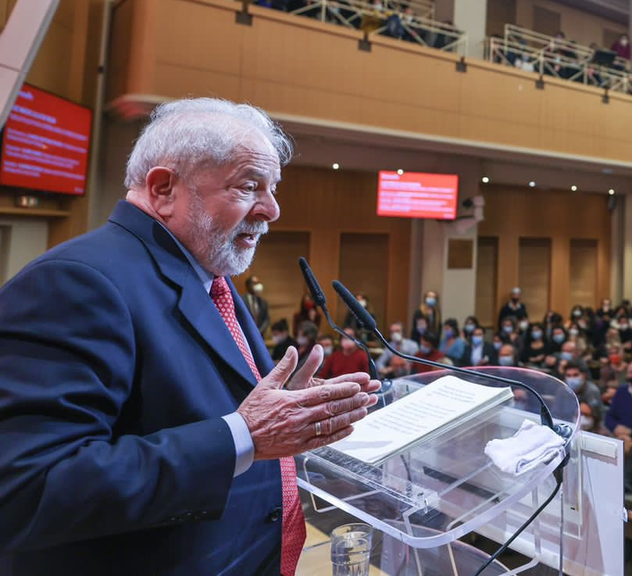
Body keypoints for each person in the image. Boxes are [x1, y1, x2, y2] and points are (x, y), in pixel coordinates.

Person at [0, 98, 379, 574]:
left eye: (272, 188)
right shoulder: (76, 282)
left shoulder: (205, 275)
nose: (272, 209)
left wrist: (287, 408)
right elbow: (26, 488)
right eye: (249, 186)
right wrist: (245, 434)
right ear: (162, 189)